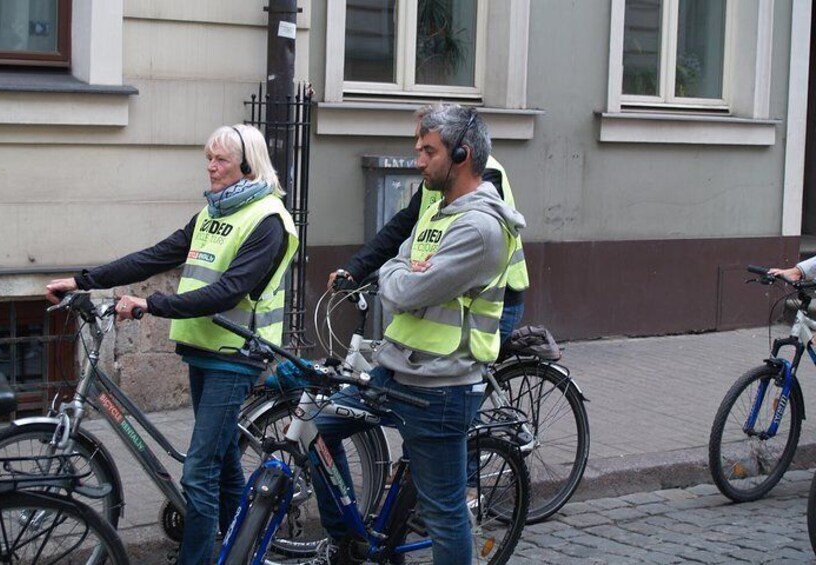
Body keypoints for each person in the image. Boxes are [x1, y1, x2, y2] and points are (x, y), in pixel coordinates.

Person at [46, 124, 299, 565]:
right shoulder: (213, 214)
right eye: (209, 157)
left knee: (199, 474)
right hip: (205, 350)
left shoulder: (268, 221)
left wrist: (150, 304)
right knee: (220, 463)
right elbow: (156, 255)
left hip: (235, 356)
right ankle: (245, 549)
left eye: (219, 159)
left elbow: (229, 292)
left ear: (246, 164)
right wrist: (82, 279)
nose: (211, 167)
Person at [308, 104, 526, 564]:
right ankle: (349, 541)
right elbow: (399, 260)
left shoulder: (482, 228)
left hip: (442, 390)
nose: (419, 160)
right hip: (398, 372)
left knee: (444, 513)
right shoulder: (437, 210)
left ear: (462, 154)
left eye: (428, 151)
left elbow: (404, 290)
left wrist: (398, 275)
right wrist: (395, 272)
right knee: (316, 431)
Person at [327, 105, 529, 343]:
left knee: (470, 365)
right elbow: (401, 227)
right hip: (444, 296)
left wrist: (418, 270)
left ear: (457, 152)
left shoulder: (481, 175)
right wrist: (355, 269)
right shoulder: (437, 184)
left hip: (493, 301)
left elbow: (470, 239)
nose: (420, 161)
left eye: (429, 150)